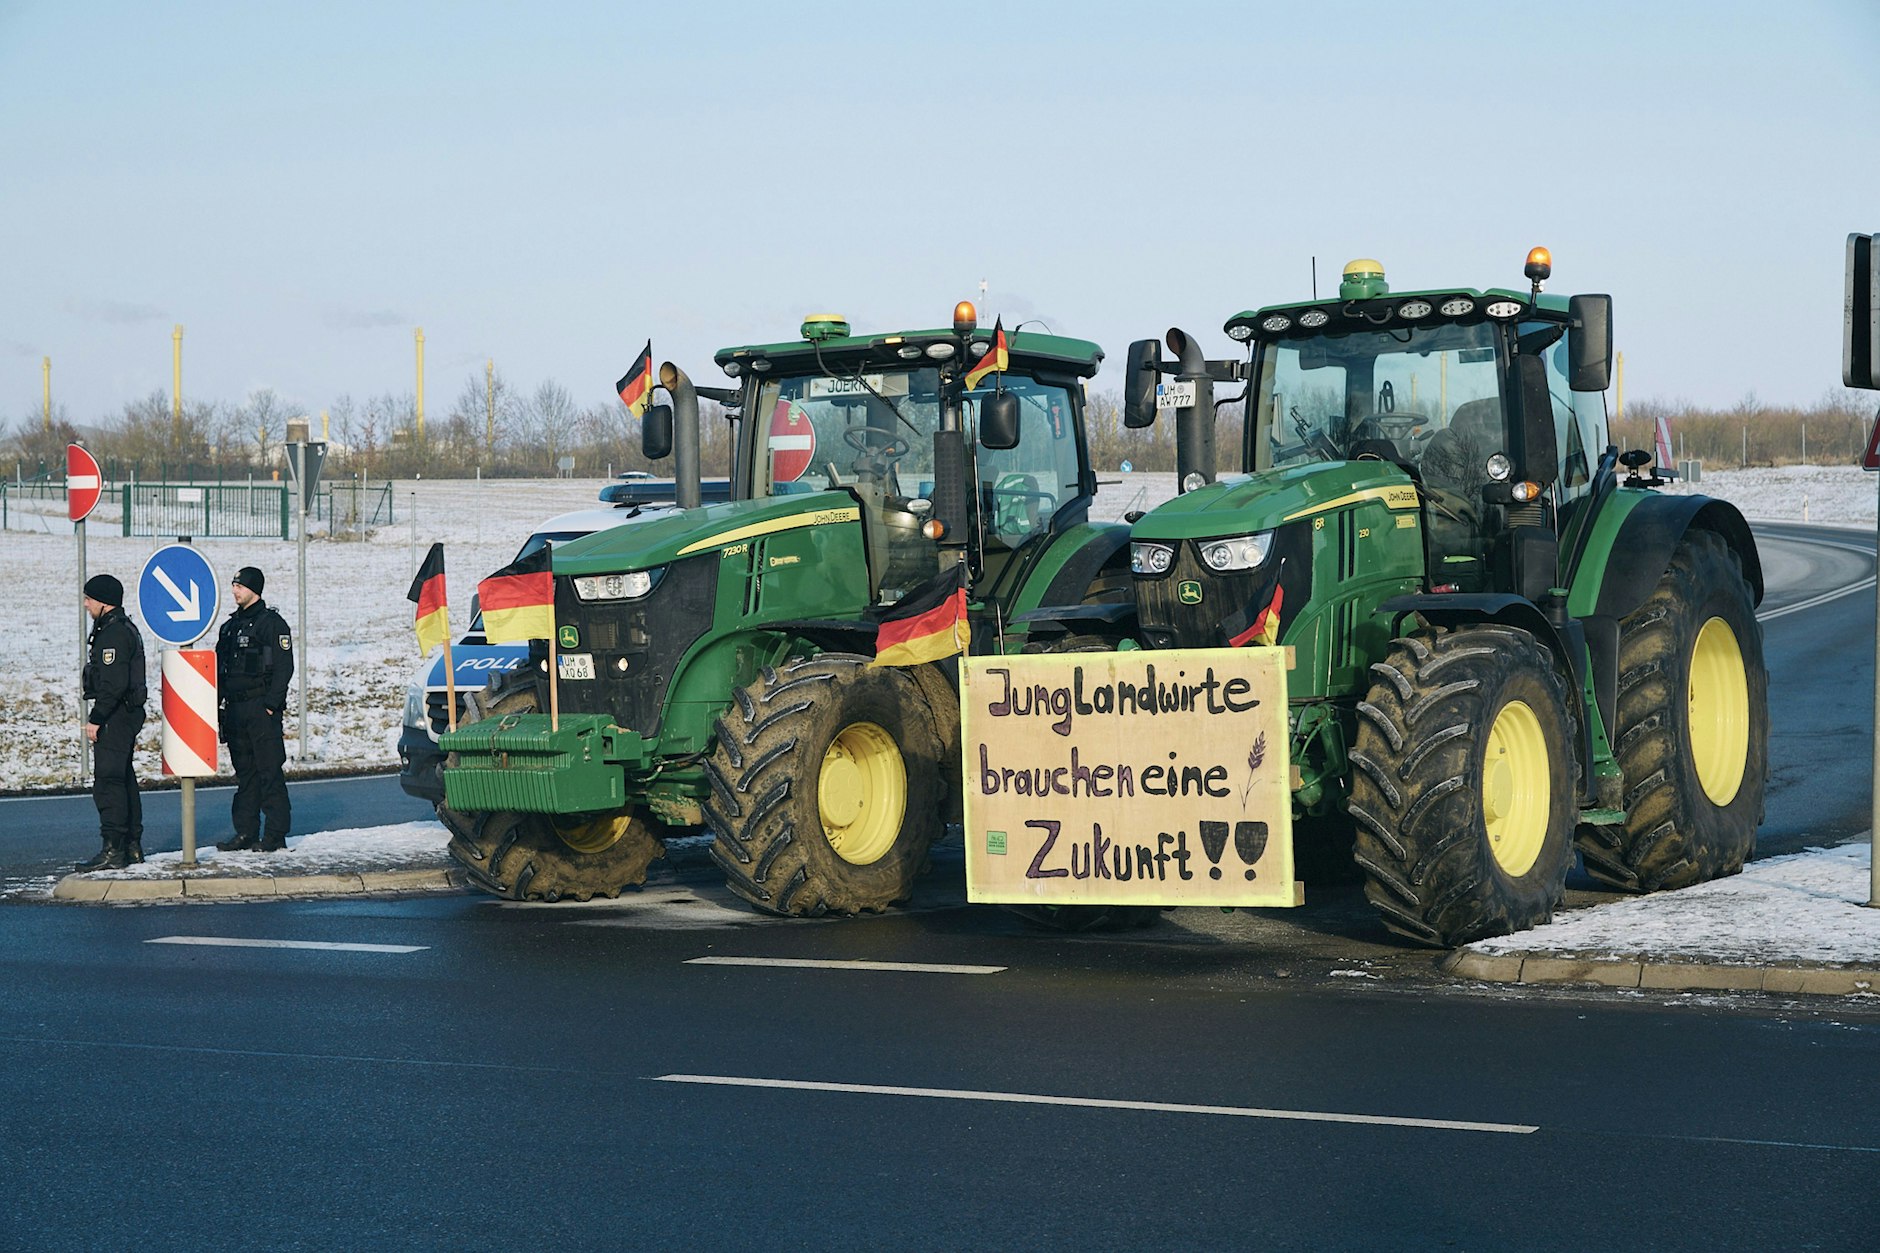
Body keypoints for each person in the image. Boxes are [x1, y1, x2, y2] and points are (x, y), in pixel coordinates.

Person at [215, 566, 294, 852]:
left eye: (240, 586)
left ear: (254, 590)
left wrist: (272, 705)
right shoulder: (230, 626)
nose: (235, 590)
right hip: (235, 711)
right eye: (234, 585)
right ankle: (246, 832)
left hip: (261, 709)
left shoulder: (271, 623)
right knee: (245, 774)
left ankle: (275, 834)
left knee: (268, 771)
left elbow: (284, 667)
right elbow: (220, 671)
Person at [79, 574, 146, 871]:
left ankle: (113, 849)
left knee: (108, 781)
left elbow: (113, 684)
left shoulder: (114, 634)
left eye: (89, 599)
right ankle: (131, 847)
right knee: (123, 779)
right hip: (124, 713)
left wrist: (96, 719)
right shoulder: (118, 628)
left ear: (104, 602)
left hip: (116, 715)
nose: (85, 604)